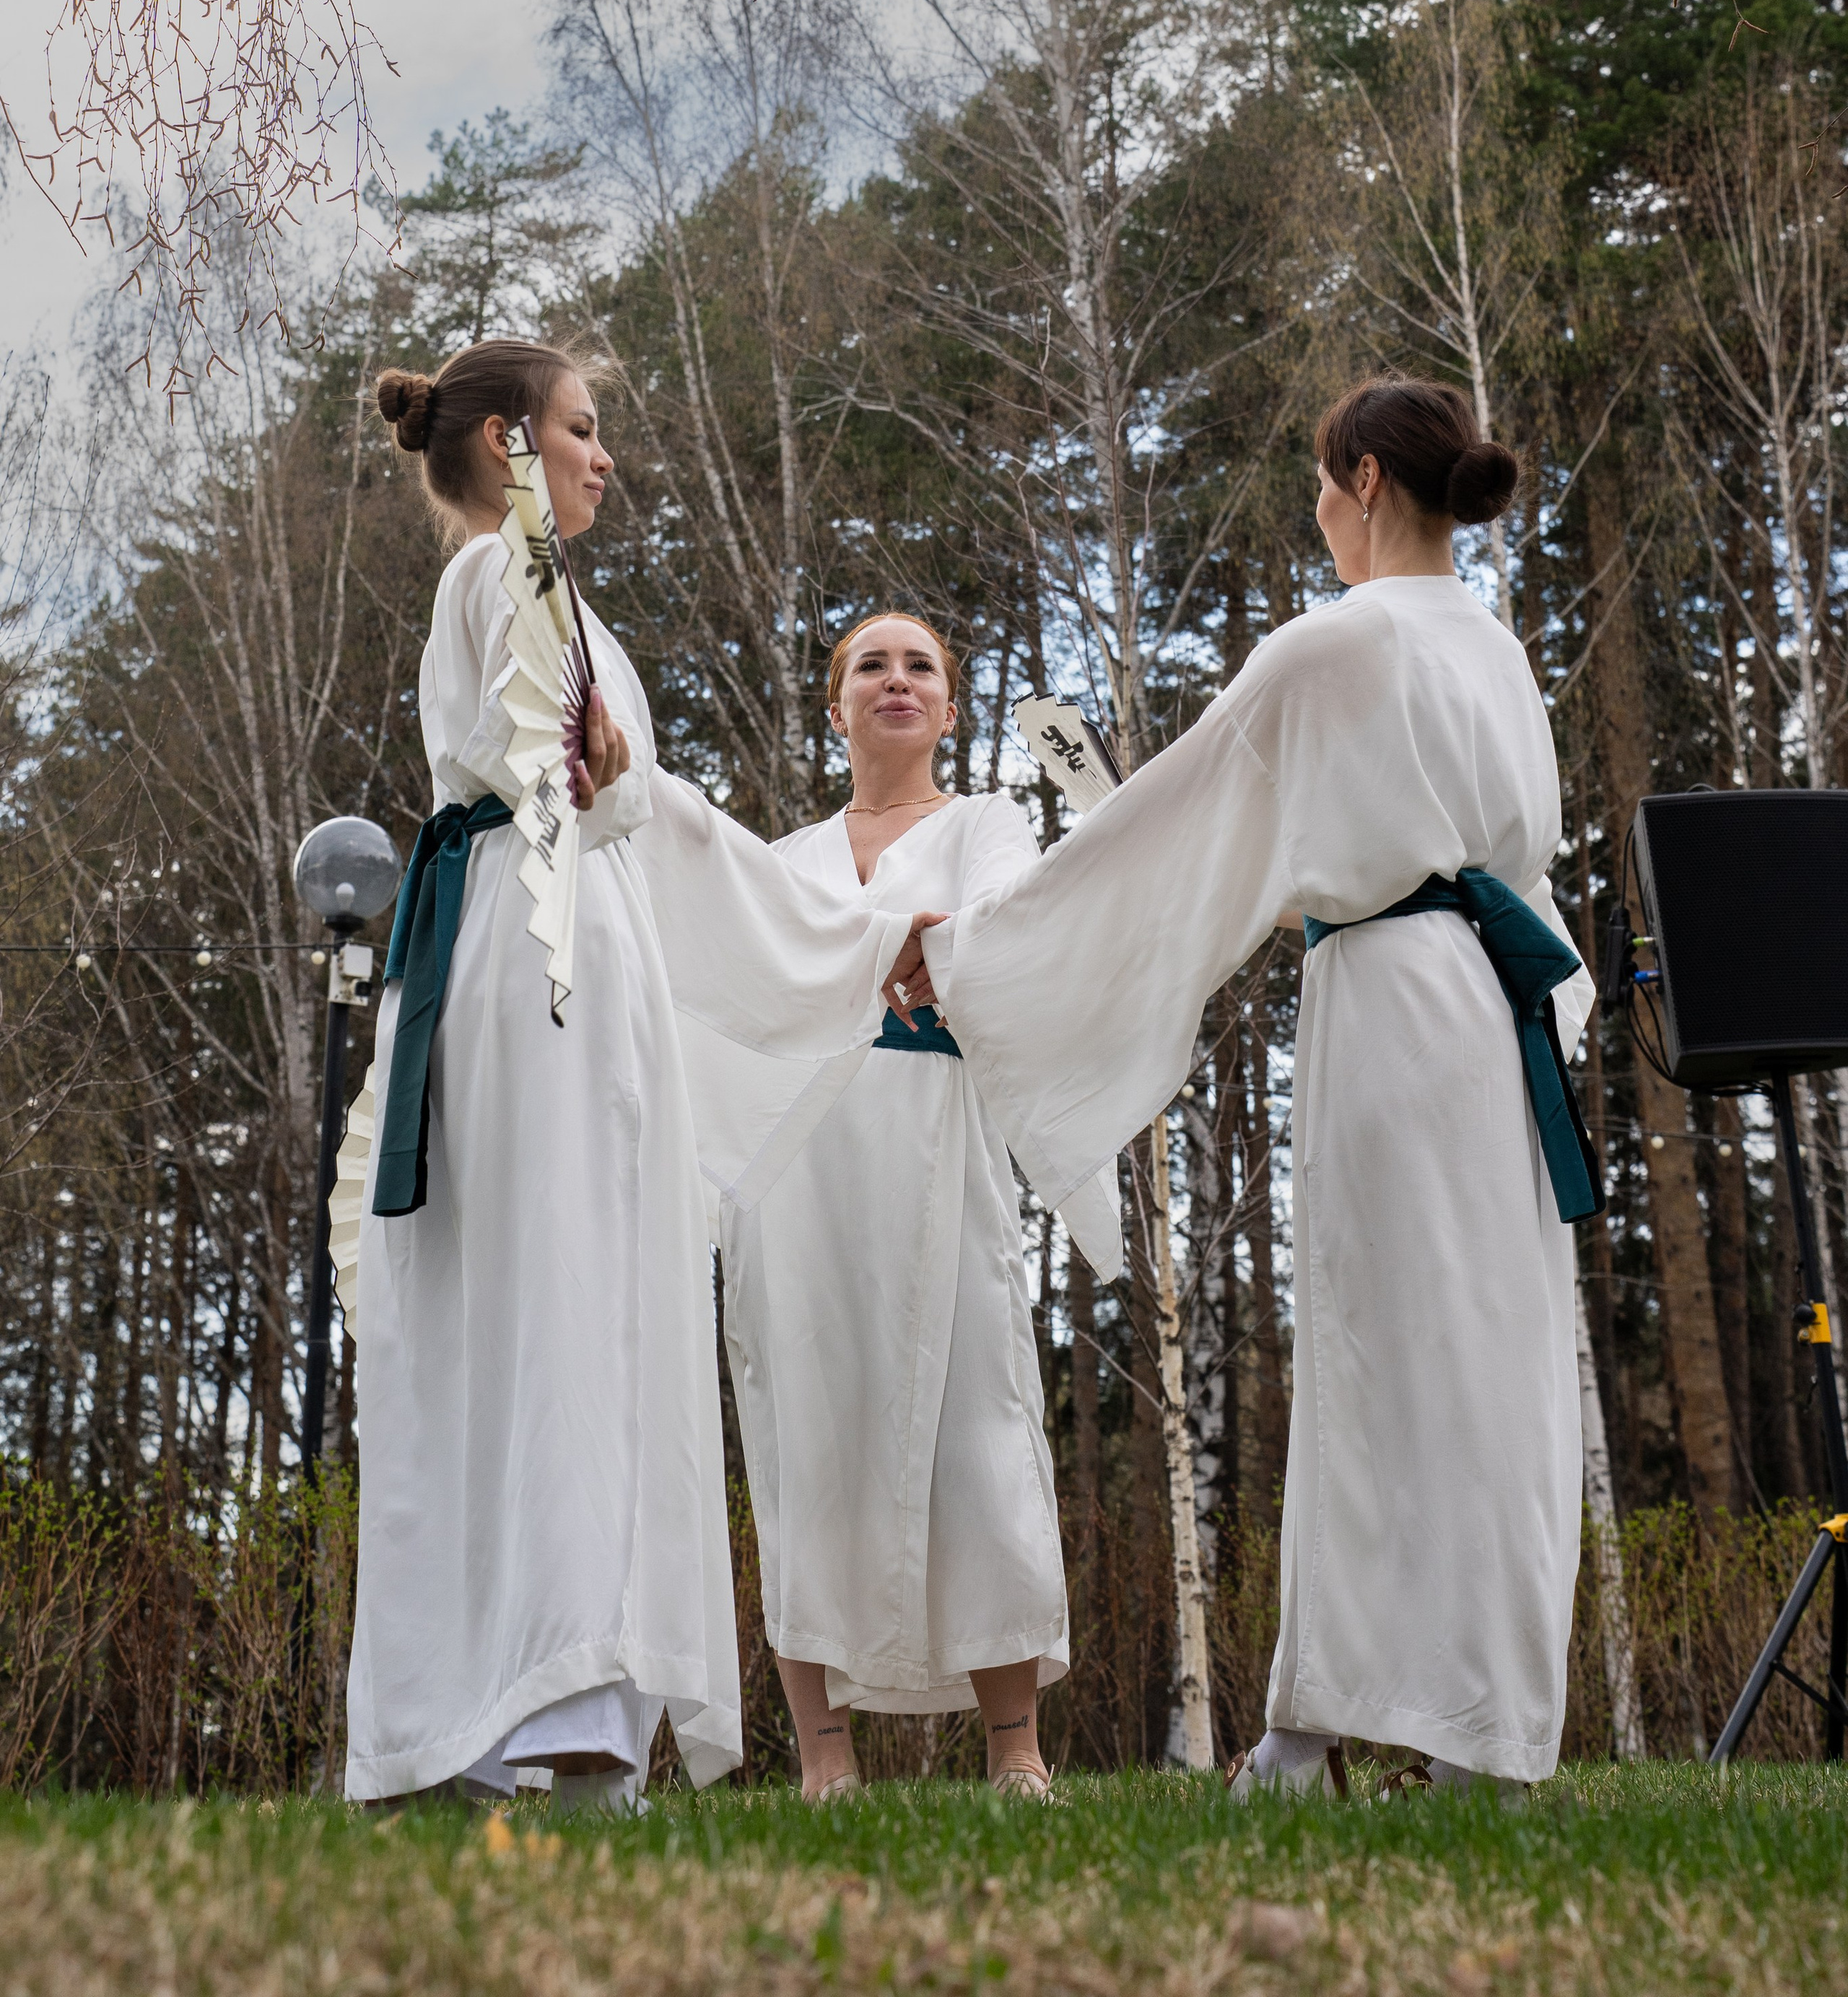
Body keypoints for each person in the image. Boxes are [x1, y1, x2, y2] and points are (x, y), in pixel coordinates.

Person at [896, 377, 1597, 1800]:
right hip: (1494, 1016)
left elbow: (1159, 828)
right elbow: (1440, 863)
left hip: (1397, 1018)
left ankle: (1317, 1734)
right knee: (1481, 1362)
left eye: (1318, 489)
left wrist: (967, 954)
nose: (1316, 516)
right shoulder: (1500, 654)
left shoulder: (1331, 647)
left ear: (1358, 477)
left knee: (1378, 1353)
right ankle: (1476, 1728)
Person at [346, 341, 934, 1811]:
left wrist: (854, 939)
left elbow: (653, 812)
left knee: (571, 1304)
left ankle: (541, 1709)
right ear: (504, 444)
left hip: (559, 953)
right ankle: (545, 1713)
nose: (604, 457)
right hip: (538, 958)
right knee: (558, 1305)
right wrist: (576, 755)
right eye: (582, 429)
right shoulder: (506, 571)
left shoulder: (544, 586)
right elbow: (542, 754)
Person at [713, 615, 1119, 1801]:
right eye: (871, 666)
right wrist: (889, 952)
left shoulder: (985, 824)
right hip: (797, 1171)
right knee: (806, 1435)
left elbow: (1000, 933)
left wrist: (909, 954)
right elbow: (736, 988)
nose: (898, 680)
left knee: (976, 1428)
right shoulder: (777, 861)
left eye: (922, 667)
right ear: (835, 708)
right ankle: (824, 1753)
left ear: (949, 712)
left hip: (938, 1142)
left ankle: (1015, 1747)